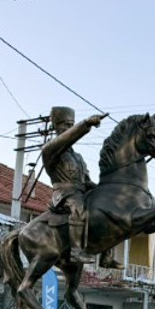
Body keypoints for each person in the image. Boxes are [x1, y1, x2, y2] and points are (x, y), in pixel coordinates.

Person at [42, 106, 106, 264]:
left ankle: (106, 255)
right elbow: (68, 138)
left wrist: (100, 188)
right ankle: (76, 251)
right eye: (65, 125)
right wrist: (86, 124)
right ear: (55, 126)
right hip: (65, 193)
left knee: (105, 207)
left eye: (71, 125)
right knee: (79, 208)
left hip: (81, 190)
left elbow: (86, 179)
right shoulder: (49, 150)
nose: (69, 128)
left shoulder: (78, 157)